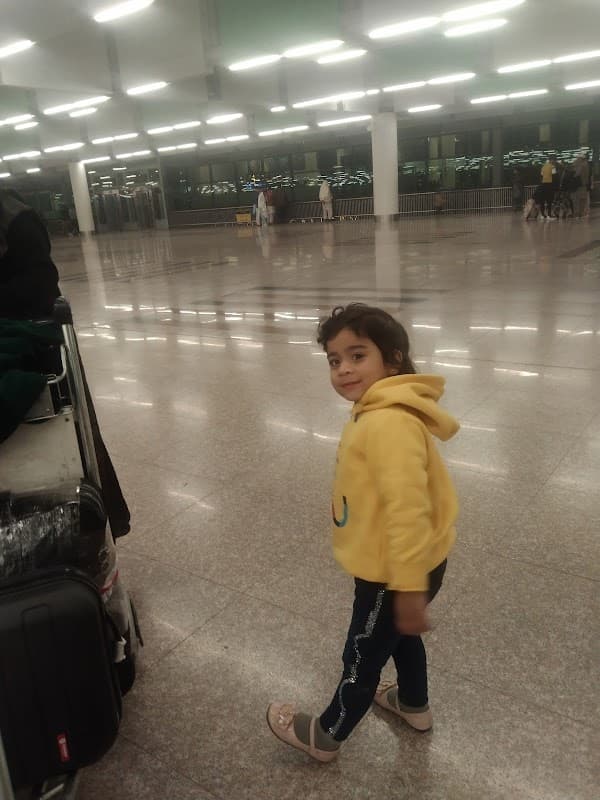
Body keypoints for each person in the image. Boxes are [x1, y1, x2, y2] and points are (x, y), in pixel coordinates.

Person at [266, 304, 459, 763]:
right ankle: (413, 705)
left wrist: (407, 588)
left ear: (392, 359)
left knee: (362, 654)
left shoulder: (387, 422)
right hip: (408, 562)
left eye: (357, 355)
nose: (344, 370)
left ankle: (326, 735)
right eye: (334, 360)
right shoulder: (379, 407)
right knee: (400, 638)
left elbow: (408, 510)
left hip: (393, 571)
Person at [0, 189, 131, 540]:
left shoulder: (14, 217)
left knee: (77, 442)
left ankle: (97, 527)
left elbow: (41, 284)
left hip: (36, 338)